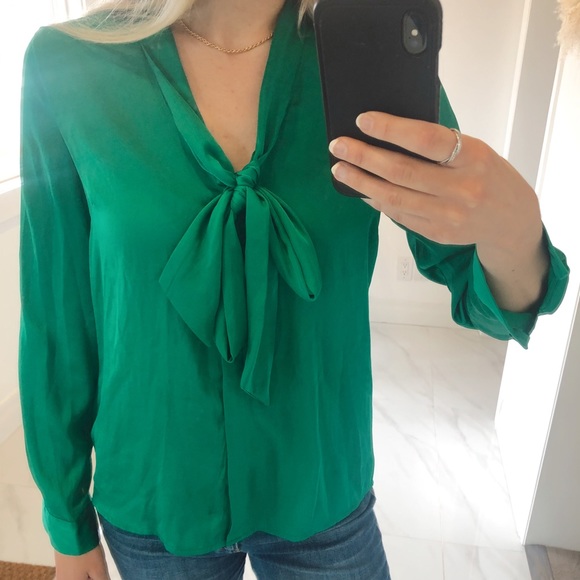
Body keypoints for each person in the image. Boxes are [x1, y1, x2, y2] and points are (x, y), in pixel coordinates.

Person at [18, 0, 569, 578]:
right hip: (156, 493)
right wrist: (66, 520)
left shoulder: (369, 51)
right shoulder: (70, 64)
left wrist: (514, 228)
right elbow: (57, 319)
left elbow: (485, 295)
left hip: (321, 488)